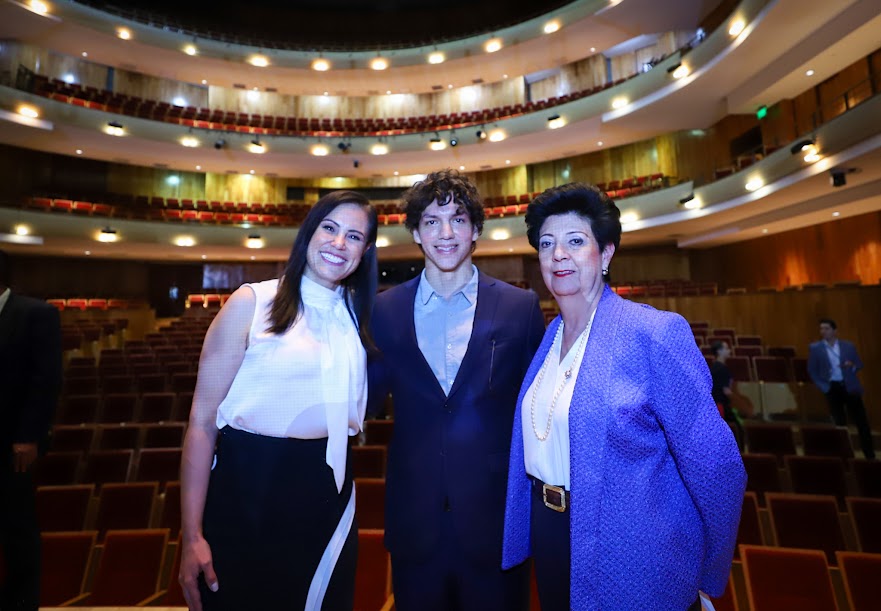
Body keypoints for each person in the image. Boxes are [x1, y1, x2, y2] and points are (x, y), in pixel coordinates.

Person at [502, 183, 746, 610]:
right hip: (555, 537)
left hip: (636, 547)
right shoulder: (550, 337)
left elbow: (718, 467)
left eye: (575, 241)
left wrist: (706, 573)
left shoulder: (653, 333)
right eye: (546, 244)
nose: (558, 254)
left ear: (607, 253)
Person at [179, 191, 378, 611]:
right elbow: (201, 423)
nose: (339, 243)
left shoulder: (359, 316)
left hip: (328, 494)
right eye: (330, 228)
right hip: (247, 490)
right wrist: (191, 535)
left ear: (365, 251)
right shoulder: (251, 302)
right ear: (309, 232)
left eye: (354, 236)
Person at [368, 169, 545, 611]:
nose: (445, 233)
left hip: (496, 520)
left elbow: (538, 412)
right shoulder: (384, 310)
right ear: (415, 232)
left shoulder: (519, 307)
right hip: (416, 522)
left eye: (458, 219)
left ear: (477, 230)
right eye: (431, 221)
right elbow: (363, 401)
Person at [0, 249, 63, 611]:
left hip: (12, 446)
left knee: (16, 533)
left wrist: (28, 436)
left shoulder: (36, 314)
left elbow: (46, 380)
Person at [808, 318, 875, 459]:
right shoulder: (815, 348)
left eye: (826, 328)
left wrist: (852, 365)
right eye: (821, 329)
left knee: (861, 422)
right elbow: (812, 370)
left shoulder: (848, 346)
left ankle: (869, 455)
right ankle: (844, 457)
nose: (823, 331)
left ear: (834, 330)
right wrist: (824, 387)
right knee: (839, 424)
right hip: (832, 388)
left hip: (850, 387)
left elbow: (859, 364)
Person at [710, 340, 744, 450]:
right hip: (722, 407)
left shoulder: (715, 367)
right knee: (738, 432)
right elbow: (726, 391)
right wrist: (741, 403)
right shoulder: (721, 369)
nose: (729, 350)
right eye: (726, 348)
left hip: (719, 406)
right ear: (719, 351)